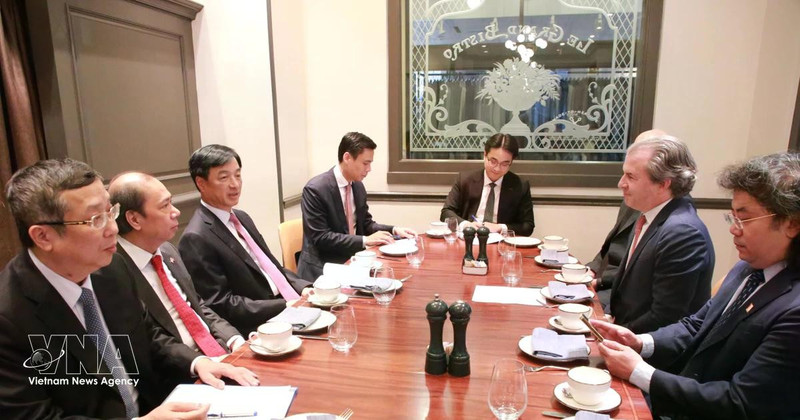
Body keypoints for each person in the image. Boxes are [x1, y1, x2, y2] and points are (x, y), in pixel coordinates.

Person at [0, 159, 258, 419]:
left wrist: (197, 362)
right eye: (95, 219)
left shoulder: (111, 269)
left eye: (110, 212)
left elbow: (146, 332)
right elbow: (34, 416)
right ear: (43, 237)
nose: (113, 228)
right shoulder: (9, 317)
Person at [593, 152, 800, 419]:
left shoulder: (794, 311)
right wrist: (640, 343)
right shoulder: (749, 267)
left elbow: (741, 403)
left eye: (744, 219)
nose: (733, 230)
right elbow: (698, 325)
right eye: (732, 217)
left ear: (792, 224)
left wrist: (640, 372)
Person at [103, 172, 245, 358]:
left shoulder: (167, 250)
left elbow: (197, 305)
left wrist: (234, 339)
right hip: (181, 371)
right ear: (135, 220)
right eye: (165, 205)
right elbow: (150, 343)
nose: (176, 211)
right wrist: (199, 363)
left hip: (218, 352)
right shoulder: (113, 272)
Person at [179, 145, 312, 336]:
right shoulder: (196, 237)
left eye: (238, 175)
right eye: (224, 177)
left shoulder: (241, 217)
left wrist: (305, 288)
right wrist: (285, 305)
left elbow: (272, 268)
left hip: (287, 308)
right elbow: (221, 304)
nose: (235, 184)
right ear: (201, 183)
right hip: (259, 327)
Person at [608, 135, 714, 333]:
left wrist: (614, 334)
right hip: (626, 331)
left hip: (650, 349)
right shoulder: (649, 214)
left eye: (631, 177)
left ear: (664, 183)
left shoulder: (683, 232)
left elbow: (666, 317)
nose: (621, 183)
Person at [297, 132, 416, 280]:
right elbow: (321, 237)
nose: (369, 169)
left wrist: (394, 230)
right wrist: (365, 240)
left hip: (353, 262)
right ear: (347, 157)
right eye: (365, 163)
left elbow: (365, 224)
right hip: (323, 268)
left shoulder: (357, 186)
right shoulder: (316, 189)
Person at [587, 129, 668, 307]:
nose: (621, 183)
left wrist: (598, 282)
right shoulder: (634, 199)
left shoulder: (677, 226)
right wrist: (590, 270)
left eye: (631, 176)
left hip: (616, 294)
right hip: (605, 281)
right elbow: (611, 247)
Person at [440, 133, 534, 236]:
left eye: (504, 164)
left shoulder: (520, 186)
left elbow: (528, 226)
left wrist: (500, 227)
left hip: (501, 243)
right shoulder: (465, 179)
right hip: (469, 239)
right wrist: (466, 225)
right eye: (493, 161)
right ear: (485, 155)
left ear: (511, 162)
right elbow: (446, 212)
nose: (497, 168)